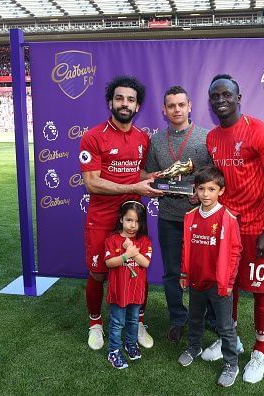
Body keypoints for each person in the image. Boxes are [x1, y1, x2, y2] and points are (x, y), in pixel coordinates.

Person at [205, 74, 264, 384]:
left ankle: (260, 350)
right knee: (227, 287)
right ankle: (231, 339)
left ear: (239, 98)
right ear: (210, 102)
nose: (221, 100)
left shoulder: (259, 131)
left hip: (255, 229)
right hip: (226, 229)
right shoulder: (212, 138)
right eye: (215, 96)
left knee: (260, 291)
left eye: (227, 94)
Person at [79, 76, 162, 351]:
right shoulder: (92, 136)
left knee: (137, 268)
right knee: (99, 273)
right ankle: (95, 323)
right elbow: (92, 182)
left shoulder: (142, 138)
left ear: (137, 106)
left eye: (130, 99)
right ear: (110, 102)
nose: (124, 104)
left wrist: (155, 179)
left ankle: (137, 323)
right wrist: (134, 185)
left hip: (133, 219)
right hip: (102, 218)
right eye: (119, 98)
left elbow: (139, 174)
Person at [144, 85, 212, 342]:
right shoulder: (157, 140)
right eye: (171, 105)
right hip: (169, 217)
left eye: (181, 104)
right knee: (171, 272)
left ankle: (204, 317)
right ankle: (177, 318)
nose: (176, 109)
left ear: (190, 106)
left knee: (202, 272)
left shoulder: (205, 138)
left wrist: (201, 191)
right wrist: (153, 182)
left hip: (201, 217)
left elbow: (215, 177)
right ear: (164, 109)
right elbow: (147, 173)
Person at [177, 166, 242, 387]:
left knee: (225, 326)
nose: (205, 194)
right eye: (201, 189)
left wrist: (230, 281)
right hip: (197, 280)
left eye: (211, 189)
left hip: (219, 283)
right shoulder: (190, 217)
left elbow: (235, 251)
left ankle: (231, 363)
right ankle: (194, 347)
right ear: (195, 190)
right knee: (195, 318)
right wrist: (184, 272)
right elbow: (186, 247)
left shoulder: (228, 217)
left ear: (221, 191)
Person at [104, 201, 152, 369]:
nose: (133, 225)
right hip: (118, 292)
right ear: (121, 220)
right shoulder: (112, 240)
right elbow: (109, 263)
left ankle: (130, 343)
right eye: (129, 220)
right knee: (117, 322)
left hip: (136, 292)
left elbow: (145, 263)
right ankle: (114, 351)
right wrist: (126, 256)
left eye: (137, 221)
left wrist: (133, 252)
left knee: (133, 320)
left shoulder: (144, 241)